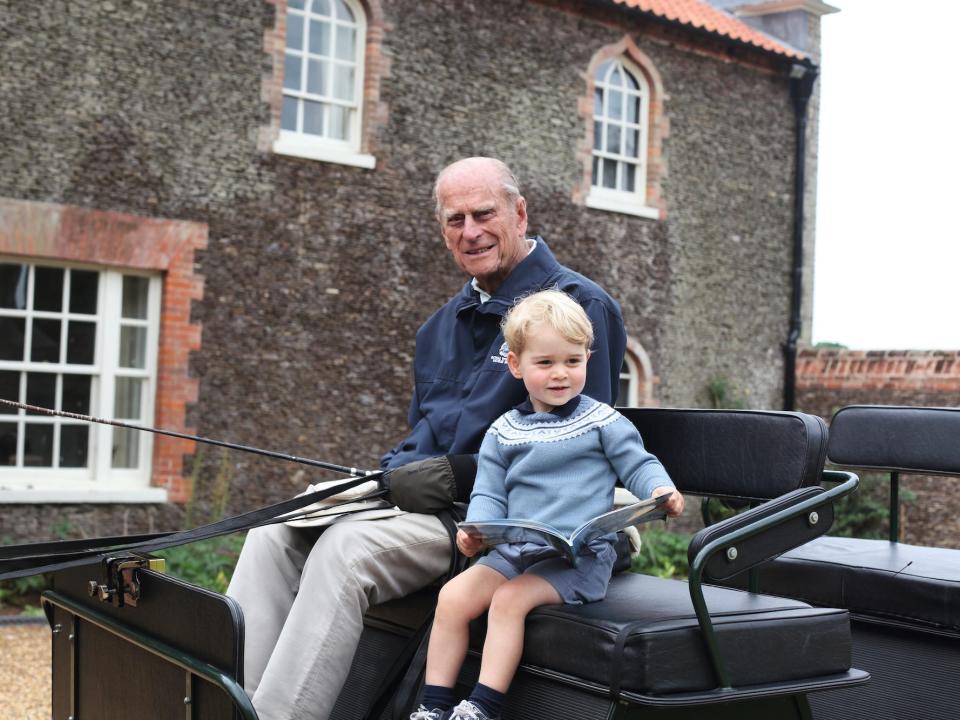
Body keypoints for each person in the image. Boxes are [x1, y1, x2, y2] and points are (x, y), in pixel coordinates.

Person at [227, 157, 629, 720]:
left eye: (484, 214)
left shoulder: (579, 308)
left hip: (504, 525)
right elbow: (424, 437)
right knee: (276, 532)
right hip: (424, 508)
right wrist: (379, 479)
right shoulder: (438, 327)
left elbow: (580, 448)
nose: (471, 232)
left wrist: (452, 476)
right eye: (454, 219)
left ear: (519, 213)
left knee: (346, 552)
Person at [411, 291, 684, 720]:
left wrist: (660, 491)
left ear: (587, 360)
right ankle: (432, 705)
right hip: (516, 551)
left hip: (578, 560)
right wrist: (476, 531)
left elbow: (639, 465)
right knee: (452, 597)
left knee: (509, 601)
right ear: (517, 365)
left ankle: (482, 707)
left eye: (572, 362)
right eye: (545, 363)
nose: (560, 374)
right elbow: (488, 492)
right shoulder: (504, 430)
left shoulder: (602, 422)